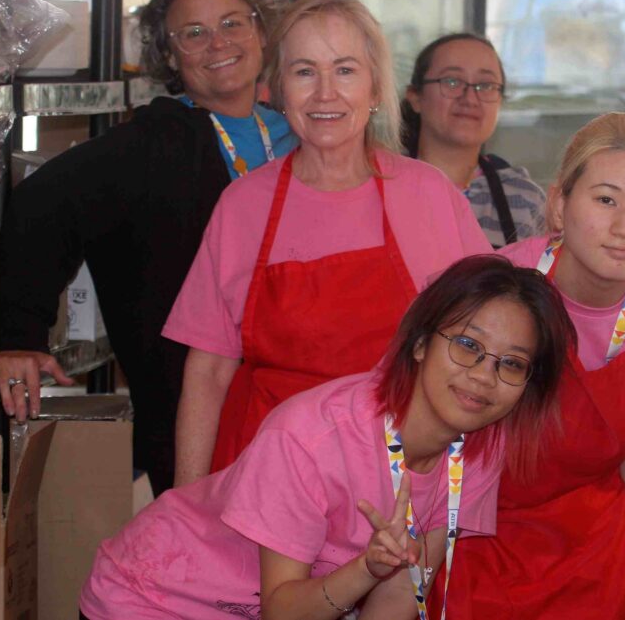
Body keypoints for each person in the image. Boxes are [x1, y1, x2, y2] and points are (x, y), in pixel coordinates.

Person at [79, 255, 576, 620]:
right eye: (468, 345)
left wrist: (381, 571)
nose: (484, 376)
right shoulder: (311, 436)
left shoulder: (481, 449)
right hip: (154, 597)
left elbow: (397, 597)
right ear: (421, 343)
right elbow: (282, 611)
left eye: (512, 364)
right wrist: (367, 568)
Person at [0, 0, 294, 495]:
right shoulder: (150, 146)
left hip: (305, 400)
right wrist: (20, 337)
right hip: (199, 421)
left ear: (261, 30)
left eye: (232, 23)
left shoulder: (300, 133)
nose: (217, 43)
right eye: (193, 33)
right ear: (169, 54)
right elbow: (40, 206)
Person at [164, 0, 492, 487]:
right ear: (278, 89)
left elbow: (486, 344)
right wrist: (187, 501)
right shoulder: (243, 206)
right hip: (266, 477)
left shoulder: (429, 195)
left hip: (398, 475)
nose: (324, 94)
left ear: (375, 88)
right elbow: (208, 372)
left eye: (344, 70)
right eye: (304, 72)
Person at [445, 112, 625, 619]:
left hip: (590, 559)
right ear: (559, 204)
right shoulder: (489, 294)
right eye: (606, 199)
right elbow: (422, 424)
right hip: (467, 539)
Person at [402, 33, 546, 248]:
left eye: (486, 85)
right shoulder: (380, 186)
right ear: (415, 97)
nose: (470, 99)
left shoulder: (525, 200)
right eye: (452, 81)